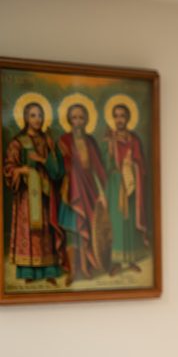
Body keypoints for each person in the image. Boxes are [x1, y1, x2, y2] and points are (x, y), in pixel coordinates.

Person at [3, 99, 66, 284]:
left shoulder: (48, 142)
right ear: (25, 118)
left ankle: (49, 270)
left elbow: (57, 171)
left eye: (40, 115)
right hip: (26, 196)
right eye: (33, 115)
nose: (37, 119)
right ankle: (28, 272)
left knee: (46, 231)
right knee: (29, 231)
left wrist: (42, 159)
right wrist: (21, 170)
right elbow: (8, 167)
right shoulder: (17, 143)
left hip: (45, 194)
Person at [57, 101, 109, 281]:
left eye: (81, 117)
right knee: (72, 232)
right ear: (69, 120)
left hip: (89, 191)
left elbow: (98, 169)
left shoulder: (91, 141)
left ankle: (85, 268)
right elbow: (57, 167)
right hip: (70, 193)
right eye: (74, 118)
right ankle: (72, 270)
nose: (78, 121)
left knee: (86, 230)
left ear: (86, 119)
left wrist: (102, 193)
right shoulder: (63, 140)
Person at [104, 101, 149, 274]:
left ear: (128, 118)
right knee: (116, 223)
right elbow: (105, 165)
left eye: (123, 115)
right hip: (116, 186)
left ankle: (130, 260)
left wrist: (132, 165)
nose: (119, 119)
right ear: (113, 118)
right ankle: (116, 262)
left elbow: (142, 165)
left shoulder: (134, 140)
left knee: (129, 223)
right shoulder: (110, 138)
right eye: (116, 116)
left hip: (131, 185)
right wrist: (110, 148)